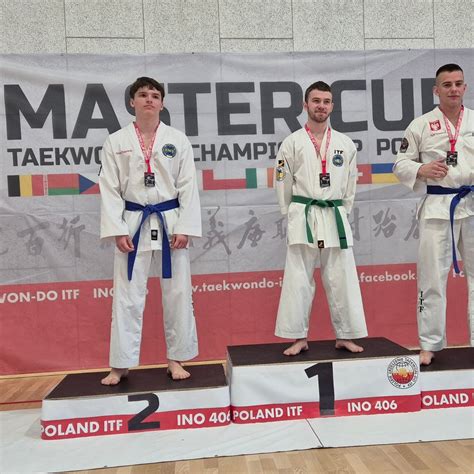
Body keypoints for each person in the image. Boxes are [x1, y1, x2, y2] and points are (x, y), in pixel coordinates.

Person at [99, 76, 202, 384]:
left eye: (155, 95)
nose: (149, 99)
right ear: (132, 101)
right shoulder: (116, 141)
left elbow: (188, 185)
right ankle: (120, 363)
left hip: (170, 221)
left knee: (178, 293)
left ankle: (176, 358)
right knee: (127, 296)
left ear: (162, 103)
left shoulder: (177, 140)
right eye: (143, 95)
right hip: (132, 222)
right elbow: (109, 188)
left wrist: (185, 226)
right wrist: (117, 229)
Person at [274, 81, 368, 356]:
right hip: (303, 213)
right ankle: (298, 336)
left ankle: (346, 335)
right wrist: (289, 213)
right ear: (305, 105)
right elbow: (282, 180)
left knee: (341, 277)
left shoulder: (345, 144)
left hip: (334, 213)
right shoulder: (292, 142)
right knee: (298, 278)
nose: (321, 106)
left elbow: (350, 184)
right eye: (316, 101)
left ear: (332, 106)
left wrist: (343, 210)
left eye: (326, 101)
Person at [393, 63, 473, 366]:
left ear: (465, 87)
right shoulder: (421, 125)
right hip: (438, 208)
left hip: (472, 204)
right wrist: (421, 168)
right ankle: (429, 344)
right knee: (431, 279)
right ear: (436, 90)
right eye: (447, 84)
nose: (453, 89)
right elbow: (400, 164)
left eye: (458, 83)